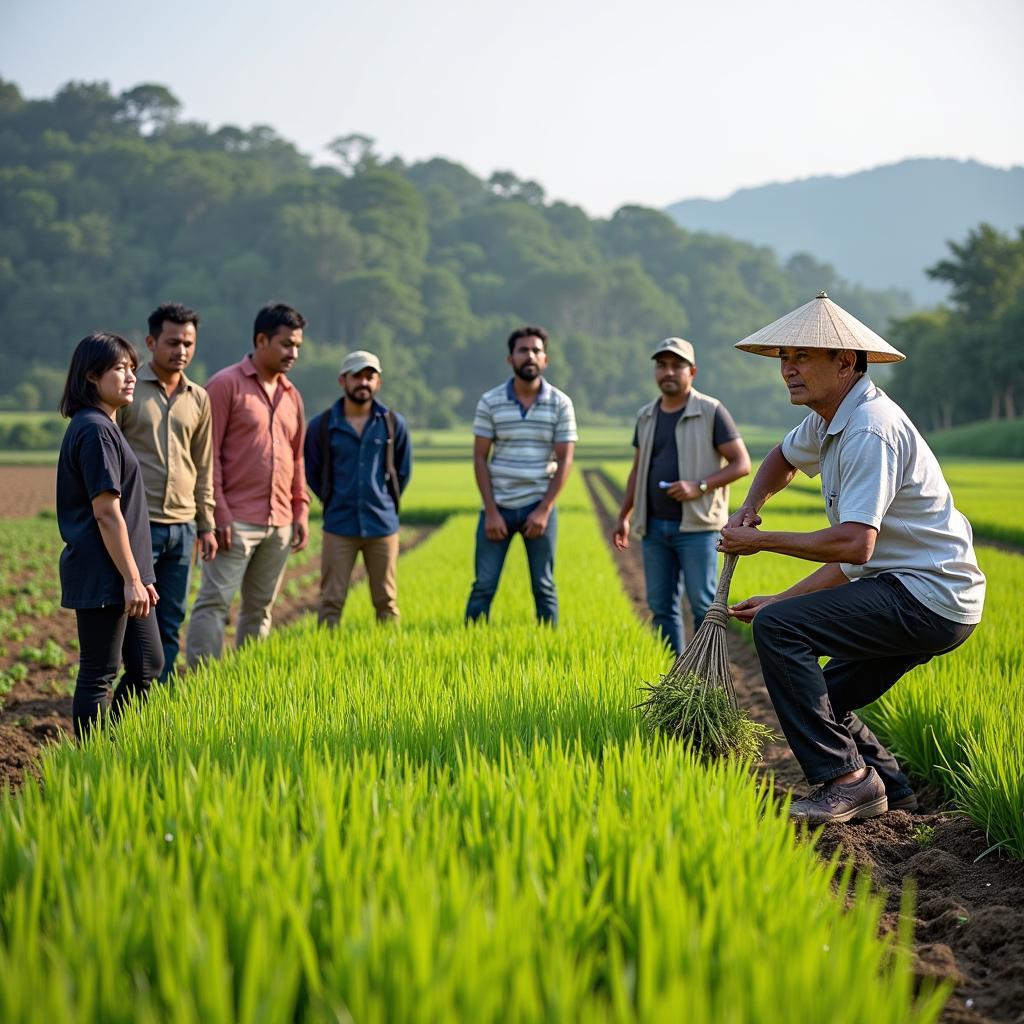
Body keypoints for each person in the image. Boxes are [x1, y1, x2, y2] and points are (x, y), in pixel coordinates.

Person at [720, 292, 985, 823]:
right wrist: (751, 507)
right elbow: (781, 459)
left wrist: (761, 542)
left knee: (779, 630)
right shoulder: (830, 417)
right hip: (918, 592)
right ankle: (894, 793)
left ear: (846, 362)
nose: (788, 370)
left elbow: (853, 545)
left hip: (925, 597)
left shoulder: (868, 428)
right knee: (827, 697)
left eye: (802, 358)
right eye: (784, 359)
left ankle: (845, 780)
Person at [185, 303, 309, 667]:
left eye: (298, 345)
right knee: (214, 603)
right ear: (261, 339)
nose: (293, 354)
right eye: (286, 344)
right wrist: (217, 513)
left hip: (280, 522)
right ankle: (201, 684)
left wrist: (300, 509)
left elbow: (296, 457)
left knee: (261, 608)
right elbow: (206, 455)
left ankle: (245, 680)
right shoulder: (225, 386)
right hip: (235, 520)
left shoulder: (292, 395)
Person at [613, 337, 750, 656]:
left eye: (677, 365)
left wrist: (698, 486)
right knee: (660, 606)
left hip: (697, 528)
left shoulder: (711, 411)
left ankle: (706, 674)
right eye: (662, 365)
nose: (668, 372)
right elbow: (637, 470)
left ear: (692, 371)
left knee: (703, 605)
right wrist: (623, 515)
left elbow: (741, 463)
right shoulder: (646, 415)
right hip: (654, 528)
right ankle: (676, 674)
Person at [56, 333, 163, 738]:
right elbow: (105, 512)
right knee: (100, 672)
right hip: (107, 572)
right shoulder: (95, 431)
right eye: (119, 368)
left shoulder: (105, 427)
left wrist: (139, 576)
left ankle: (110, 742)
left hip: (125, 571)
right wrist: (132, 579)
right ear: (90, 376)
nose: (131, 376)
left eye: (133, 368)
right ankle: (93, 758)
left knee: (148, 664)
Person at [116, 303, 216, 681]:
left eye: (189, 343)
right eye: (173, 342)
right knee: (135, 624)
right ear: (151, 342)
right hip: (138, 526)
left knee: (171, 620)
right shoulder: (128, 391)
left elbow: (203, 465)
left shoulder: (199, 398)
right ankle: (132, 702)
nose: (182, 350)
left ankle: (158, 702)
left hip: (183, 526)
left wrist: (206, 524)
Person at [465, 325, 577, 625]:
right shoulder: (490, 401)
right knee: (483, 586)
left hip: (538, 507)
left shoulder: (560, 403)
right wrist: (490, 511)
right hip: (498, 507)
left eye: (536, 351)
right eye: (523, 350)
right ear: (510, 359)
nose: (530, 356)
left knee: (544, 587)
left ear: (545, 360)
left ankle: (549, 654)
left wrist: (543, 510)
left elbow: (565, 460)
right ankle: (469, 644)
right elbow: (479, 457)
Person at [304, 350, 411, 626]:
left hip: (382, 525)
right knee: (331, 600)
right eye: (357, 376)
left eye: (370, 376)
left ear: (378, 383)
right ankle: (325, 657)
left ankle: (392, 657)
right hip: (339, 524)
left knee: (386, 600)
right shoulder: (322, 426)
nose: (363, 382)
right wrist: (330, 499)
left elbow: (403, 470)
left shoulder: (392, 424)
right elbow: (312, 472)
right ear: (343, 381)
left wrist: (385, 500)